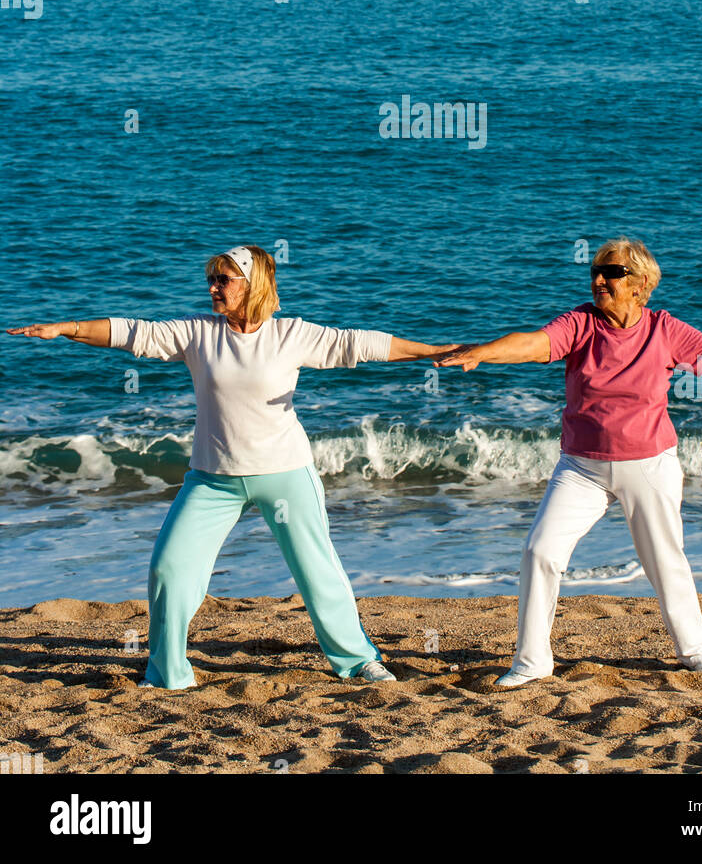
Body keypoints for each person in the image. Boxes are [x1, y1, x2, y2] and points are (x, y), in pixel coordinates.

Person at [8, 244, 449, 690]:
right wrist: (67, 328)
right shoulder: (199, 333)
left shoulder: (291, 335)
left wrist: (435, 350)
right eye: (211, 280)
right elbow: (133, 332)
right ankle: (167, 675)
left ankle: (357, 661)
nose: (214, 288)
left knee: (317, 573)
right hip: (212, 479)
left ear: (253, 284)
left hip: (284, 473)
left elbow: (362, 344)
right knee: (170, 568)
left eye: (224, 280)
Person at [436, 237, 702, 687]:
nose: (599, 280)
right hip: (581, 468)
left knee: (664, 560)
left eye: (611, 273)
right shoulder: (580, 323)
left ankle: (697, 652)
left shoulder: (664, 330)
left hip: (649, 465)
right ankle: (532, 661)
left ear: (639, 284)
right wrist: (484, 351)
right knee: (540, 551)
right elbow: (534, 344)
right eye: (596, 271)